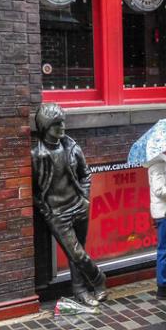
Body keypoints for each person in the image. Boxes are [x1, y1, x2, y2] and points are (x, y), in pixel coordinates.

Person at [31, 103, 107, 307]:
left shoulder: (72, 147)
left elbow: (86, 175)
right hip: (57, 213)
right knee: (77, 253)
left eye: (63, 122)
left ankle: (80, 290)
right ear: (46, 127)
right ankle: (99, 279)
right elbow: (33, 189)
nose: (63, 127)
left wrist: (86, 199)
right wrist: (45, 208)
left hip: (78, 206)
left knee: (78, 252)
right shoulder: (36, 155)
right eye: (57, 124)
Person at [145, 149, 166, 301]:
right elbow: (159, 190)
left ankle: (164, 281)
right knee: (165, 249)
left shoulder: (161, 163)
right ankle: (162, 286)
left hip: (164, 211)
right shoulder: (158, 165)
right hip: (164, 213)